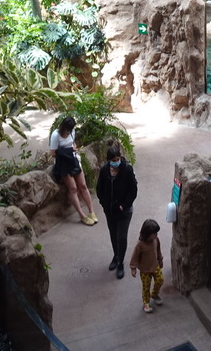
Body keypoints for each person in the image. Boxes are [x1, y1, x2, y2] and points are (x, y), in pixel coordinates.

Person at [96, 144, 138, 280]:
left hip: (124, 211)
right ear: (108, 160)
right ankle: (116, 255)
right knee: (113, 235)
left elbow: (133, 190)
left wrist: (123, 205)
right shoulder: (104, 171)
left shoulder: (127, 170)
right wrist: (104, 204)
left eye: (118, 159)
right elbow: (99, 189)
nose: (116, 162)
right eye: (113, 160)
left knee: (121, 236)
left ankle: (120, 263)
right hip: (110, 211)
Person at [49, 116, 97, 226]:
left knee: (83, 186)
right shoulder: (56, 135)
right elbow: (53, 153)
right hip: (63, 164)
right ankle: (82, 216)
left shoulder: (72, 131)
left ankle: (91, 212)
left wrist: (73, 148)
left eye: (70, 130)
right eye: (66, 130)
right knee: (73, 188)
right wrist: (69, 150)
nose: (68, 132)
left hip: (73, 160)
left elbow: (73, 144)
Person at [129, 218, 164, 313]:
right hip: (145, 270)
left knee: (160, 280)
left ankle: (155, 294)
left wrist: (160, 260)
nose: (156, 235)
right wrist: (133, 268)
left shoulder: (156, 240)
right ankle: (146, 302)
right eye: (154, 233)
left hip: (155, 266)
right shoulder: (140, 245)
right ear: (147, 234)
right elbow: (134, 257)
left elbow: (158, 250)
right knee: (146, 286)